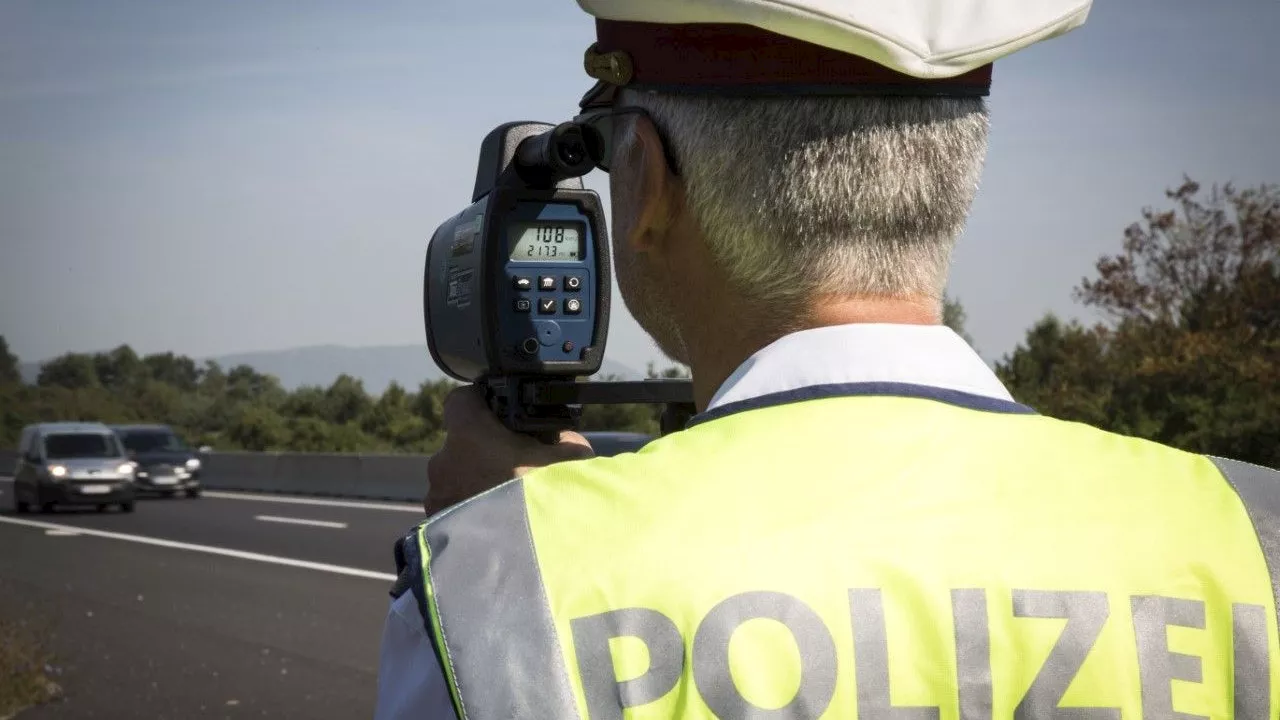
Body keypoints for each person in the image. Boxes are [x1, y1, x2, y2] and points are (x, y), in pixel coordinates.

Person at [375, 0, 1280, 716]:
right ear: (954, 169)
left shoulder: (506, 585)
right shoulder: (1253, 535)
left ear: (644, 179)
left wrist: (514, 543)